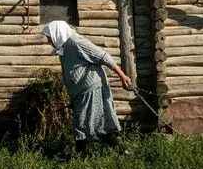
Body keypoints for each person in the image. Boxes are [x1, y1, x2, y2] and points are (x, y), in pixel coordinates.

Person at [41, 20, 134, 154]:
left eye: (49, 37)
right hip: (81, 92)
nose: (49, 40)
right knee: (97, 125)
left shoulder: (76, 42)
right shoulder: (64, 47)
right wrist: (73, 98)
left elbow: (103, 56)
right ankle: (122, 151)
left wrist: (122, 76)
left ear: (57, 33)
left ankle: (81, 157)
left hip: (91, 89)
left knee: (82, 125)